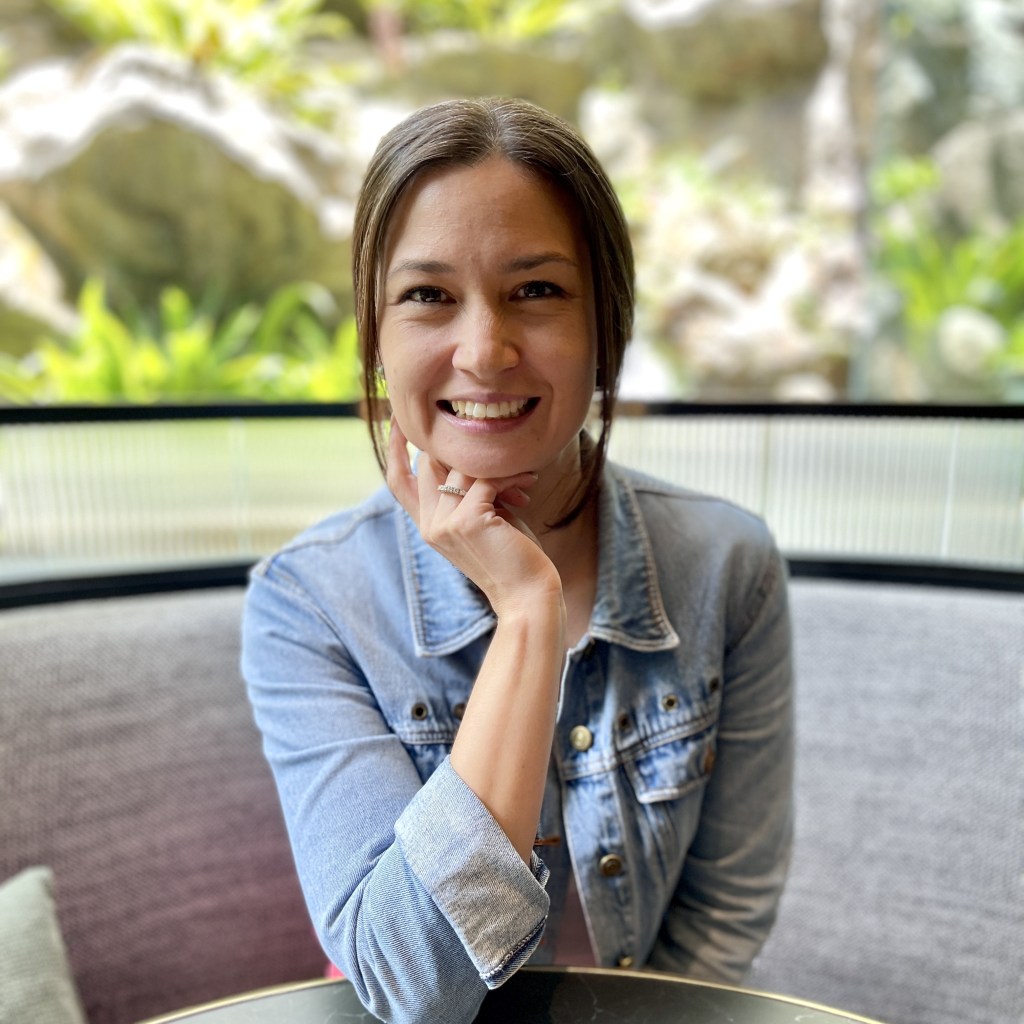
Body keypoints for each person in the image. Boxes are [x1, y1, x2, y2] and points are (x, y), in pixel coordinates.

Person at [242, 96, 794, 1024]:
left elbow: (722, 915)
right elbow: (411, 986)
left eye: (536, 291)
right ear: (376, 341)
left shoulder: (727, 564)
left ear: (607, 329)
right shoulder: (309, 601)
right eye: (427, 296)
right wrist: (529, 615)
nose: (483, 351)